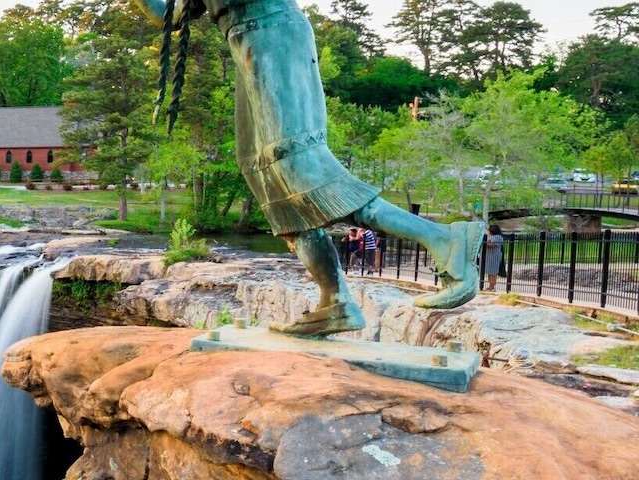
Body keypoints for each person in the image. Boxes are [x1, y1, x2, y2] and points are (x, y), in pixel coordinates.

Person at [126, 0, 482, 337]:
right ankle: (335, 301)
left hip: (272, 34)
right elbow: (171, 16)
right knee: (266, 177)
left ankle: (445, 239)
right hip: (247, 43)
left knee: (300, 166)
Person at [484, 225, 505, 291]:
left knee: (493, 272)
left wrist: (484, 243)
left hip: (494, 256)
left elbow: (492, 245)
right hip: (489, 256)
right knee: (489, 272)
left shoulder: (498, 237)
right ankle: (490, 286)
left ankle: (492, 287)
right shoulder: (489, 236)